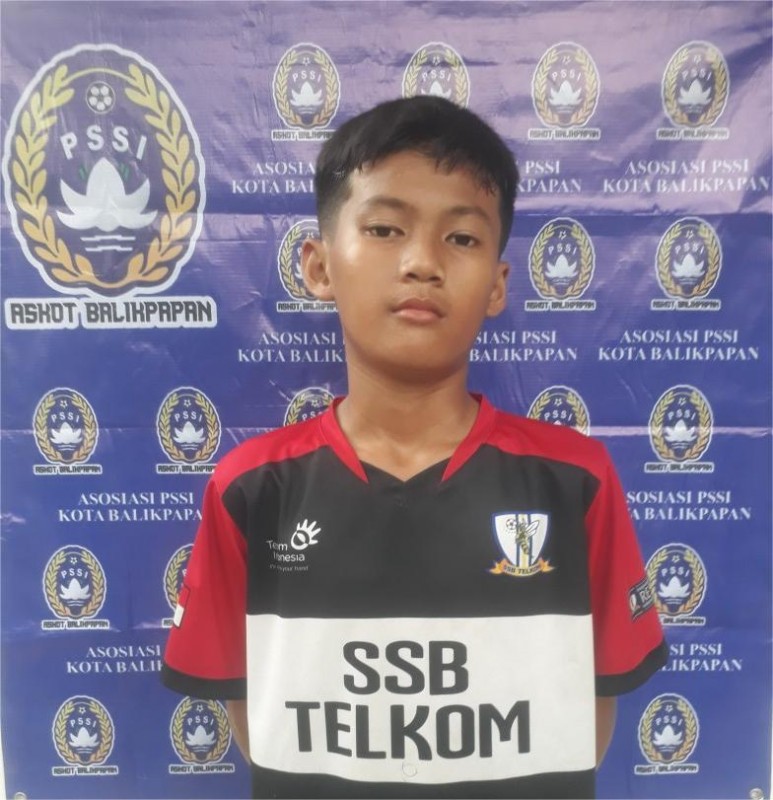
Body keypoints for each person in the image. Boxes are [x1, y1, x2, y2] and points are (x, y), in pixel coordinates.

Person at [161, 96, 667, 799]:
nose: (422, 262)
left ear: (497, 285)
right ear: (318, 267)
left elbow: (593, 701)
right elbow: (252, 708)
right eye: (384, 229)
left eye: (461, 238)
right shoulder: (251, 486)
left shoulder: (572, 477)